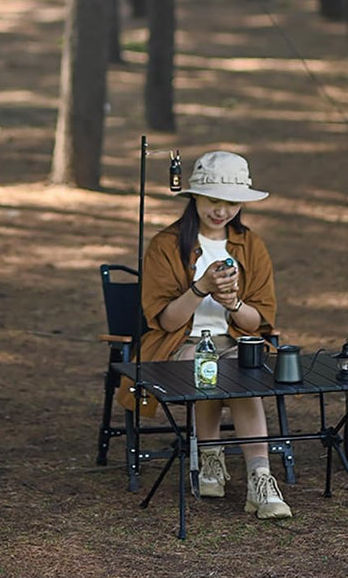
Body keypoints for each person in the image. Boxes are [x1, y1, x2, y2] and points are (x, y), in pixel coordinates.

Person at [116, 150, 292, 519]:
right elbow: (165, 321)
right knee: (208, 369)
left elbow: (255, 321)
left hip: (235, 343)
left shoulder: (251, 246)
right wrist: (200, 289)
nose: (222, 211)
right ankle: (210, 459)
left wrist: (232, 302)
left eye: (231, 203)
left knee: (245, 378)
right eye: (213, 201)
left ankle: (260, 478)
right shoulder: (166, 245)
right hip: (178, 344)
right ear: (194, 197)